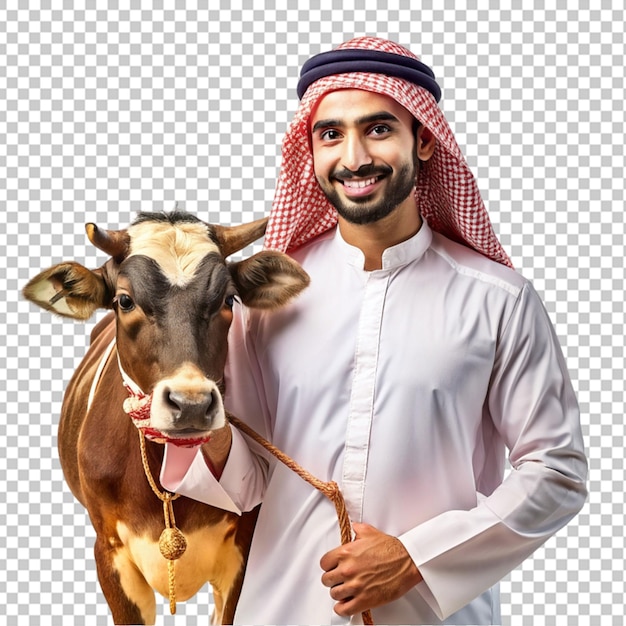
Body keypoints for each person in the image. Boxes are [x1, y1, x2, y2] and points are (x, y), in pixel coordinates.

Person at [161, 37, 588, 624]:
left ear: (427, 140)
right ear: (309, 152)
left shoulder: (499, 301)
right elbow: (251, 479)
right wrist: (200, 435)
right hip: (283, 610)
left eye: (379, 128)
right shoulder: (267, 302)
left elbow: (557, 471)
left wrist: (416, 558)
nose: (354, 156)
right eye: (330, 134)